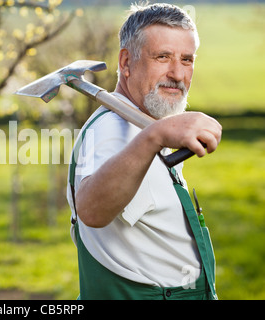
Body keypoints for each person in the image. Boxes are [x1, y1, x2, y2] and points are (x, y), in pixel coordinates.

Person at [67, 3, 222, 300]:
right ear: (126, 62)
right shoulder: (112, 130)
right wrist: (155, 135)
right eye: (162, 57)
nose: (177, 74)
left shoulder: (143, 124)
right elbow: (92, 209)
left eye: (187, 60)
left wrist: (154, 132)